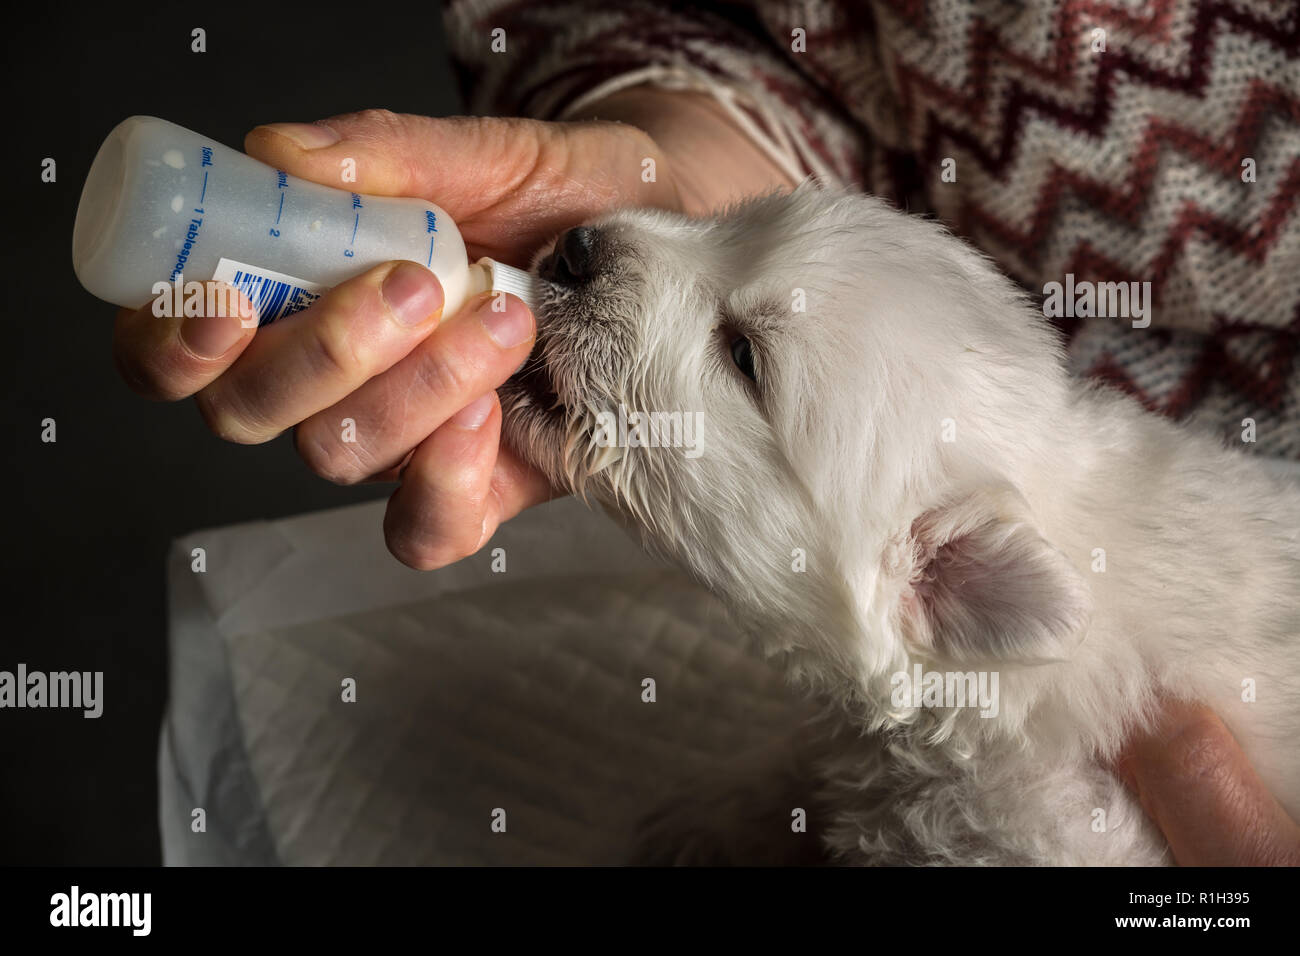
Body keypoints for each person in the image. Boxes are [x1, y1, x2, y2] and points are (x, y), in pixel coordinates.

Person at [109, 0, 1300, 864]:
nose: (615, 239)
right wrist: (672, 152)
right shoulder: (950, 620)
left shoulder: (1042, 793)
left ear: (935, 583)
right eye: (731, 236)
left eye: (740, 354)